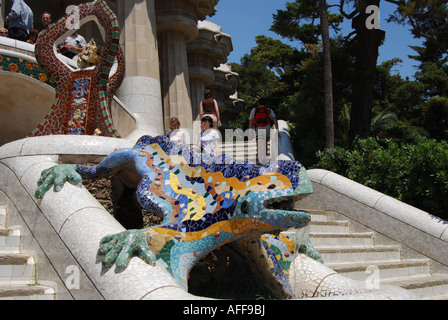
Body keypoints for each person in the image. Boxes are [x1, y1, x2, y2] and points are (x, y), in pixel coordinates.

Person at [248, 98, 280, 164]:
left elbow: (251, 121)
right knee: (265, 144)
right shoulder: (269, 110)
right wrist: (277, 130)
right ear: (265, 104)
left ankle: (260, 160)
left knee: (258, 144)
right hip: (267, 128)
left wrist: (250, 131)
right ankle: (264, 159)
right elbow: (275, 120)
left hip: (258, 129)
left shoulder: (254, 110)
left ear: (258, 103)